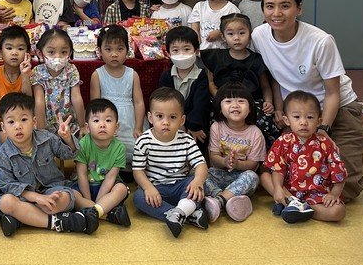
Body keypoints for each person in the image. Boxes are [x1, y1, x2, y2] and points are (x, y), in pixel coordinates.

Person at [252, 0, 363, 201]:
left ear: (299, 8)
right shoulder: (259, 36)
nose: (277, 13)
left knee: (344, 187)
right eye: (270, 6)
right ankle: (297, 201)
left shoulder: (320, 41)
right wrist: (278, 109)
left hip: (337, 109)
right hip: (296, 113)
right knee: (276, 173)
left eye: (285, 6)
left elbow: (333, 93)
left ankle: (300, 202)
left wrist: (323, 129)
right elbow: (274, 77)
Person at [0, 92, 99, 236]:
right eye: (11, 122)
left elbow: (69, 154)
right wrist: (35, 197)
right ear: (3, 127)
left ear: (34, 121)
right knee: (5, 202)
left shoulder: (46, 138)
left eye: (24, 119)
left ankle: (23, 218)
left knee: (64, 197)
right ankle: (60, 222)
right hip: (24, 197)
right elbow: (5, 184)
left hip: (51, 191)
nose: (18, 126)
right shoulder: (3, 154)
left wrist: (67, 138)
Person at [132, 87, 209, 238]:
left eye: (172, 117)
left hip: (180, 187)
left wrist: (197, 181)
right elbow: (138, 170)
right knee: (138, 197)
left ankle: (179, 213)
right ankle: (185, 214)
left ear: (182, 120)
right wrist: (148, 187)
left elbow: (201, 165)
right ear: (150, 118)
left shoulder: (186, 140)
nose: (166, 122)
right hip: (156, 189)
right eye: (159, 116)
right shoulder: (143, 141)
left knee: (200, 184)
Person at [261, 90, 347, 224]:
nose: (303, 122)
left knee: (338, 212)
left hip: (317, 195)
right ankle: (291, 203)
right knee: (265, 177)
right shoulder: (282, 141)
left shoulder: (325, 143)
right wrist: (278, 189)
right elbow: (278, 169)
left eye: (310, 117)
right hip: (289, 192)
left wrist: (334, 194)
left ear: (319, 121)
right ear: (286, 120)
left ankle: (302, 209)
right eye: (296, 117)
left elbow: (339, 172)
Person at [203, 13, 281, 145]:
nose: (237, 38)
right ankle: (217, 150)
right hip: (222, 99)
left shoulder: (256, 59)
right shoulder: (216, 57)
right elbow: (211, 83)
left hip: (251, 102)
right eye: (230, 34)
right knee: (211, 117)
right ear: (223, 37)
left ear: (250, 34)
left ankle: (258, 151)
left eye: (241, 33)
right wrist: (222, 99)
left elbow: (265, 86)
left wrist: (268, 102)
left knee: (264, 120)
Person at [203, 84, 265, 224]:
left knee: (253, 177)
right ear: (220, 108)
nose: (235, 105)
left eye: (241, 101)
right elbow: (213, 157)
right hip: (220, 174)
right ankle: (229, 200)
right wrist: (224, 161)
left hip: (241, 177)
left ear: (250, 108)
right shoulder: (216, 127)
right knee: (198, 173)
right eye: (228, 101)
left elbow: (253, 165)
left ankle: (218, 201)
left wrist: (237, 164)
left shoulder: (255, 133)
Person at [90, 25, 143, 168]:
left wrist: (138, 127)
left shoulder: (132, 74)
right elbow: (95, 105)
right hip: (106, 120)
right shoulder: (97, 75)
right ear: (100, 51)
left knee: (132, 149)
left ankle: (129, 170)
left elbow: (138, 102)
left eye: (119, 49)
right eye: (108, 49)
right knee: (106, 150)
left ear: (127, 50)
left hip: (129, 121)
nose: (114, 54)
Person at [74, 98, 131, 226]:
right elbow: (82, 174)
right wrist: (88, 200)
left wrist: (99, 201)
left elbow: (110, 178)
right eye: (96, 120)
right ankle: (106, 214)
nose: (102, 125)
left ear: (116, 127)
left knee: (121, 189)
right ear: (87, 127)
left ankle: (93, 212)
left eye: (108, 120)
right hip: (85, 186)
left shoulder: (120, 148)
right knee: (72, 195)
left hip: (107, 188)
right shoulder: (83, 144)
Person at [158, 26, 212, 146]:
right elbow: (163, 102)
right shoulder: (166, 76)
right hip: (169, 123)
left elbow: (200, 104)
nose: (181, 54)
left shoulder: (201, 76)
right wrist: (176, 124)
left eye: (187, 49)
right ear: (168, 53)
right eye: (175, 50)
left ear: (196, 51)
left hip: (195, 126)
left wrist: (193, 126)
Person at [32, 28, 85, 137]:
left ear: (70, 53)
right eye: (51, 52)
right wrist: (41, 132)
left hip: (69, 123)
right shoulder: (37, 72)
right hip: (46, 124)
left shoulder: (71, 70)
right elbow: (39, 102)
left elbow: (77, 98)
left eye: (63, 52)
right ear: (40, 53)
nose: (58, 57)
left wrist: (83, 125)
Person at [0, 25, 33, 128]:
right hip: (3, 126)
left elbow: (29, 101)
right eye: (9, 48)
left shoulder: (30, 74)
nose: (14, 53)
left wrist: (25, 75)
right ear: (0, 53)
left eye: (20, 48)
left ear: (28, 53)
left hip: (23, 125)